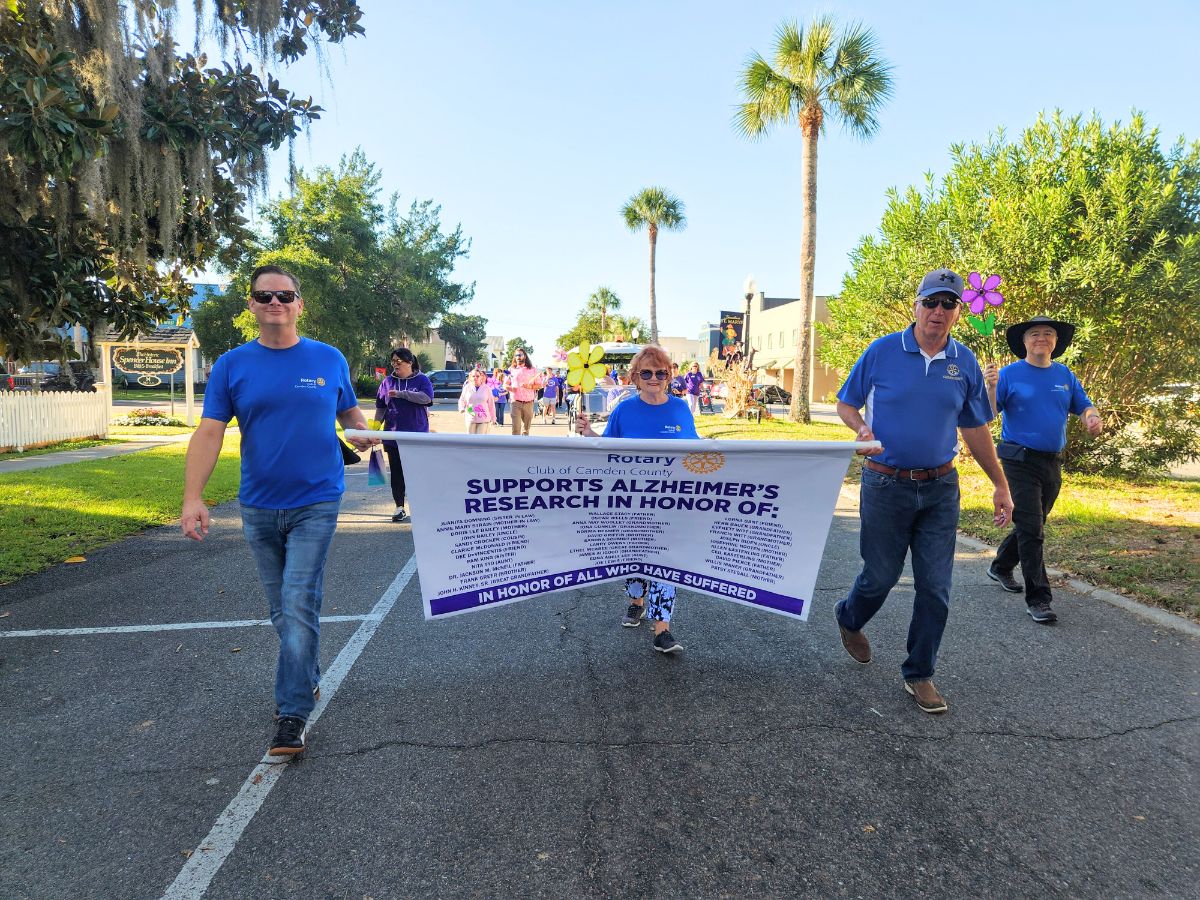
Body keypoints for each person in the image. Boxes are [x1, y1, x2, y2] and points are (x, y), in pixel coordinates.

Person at [180, 264, 375, 756]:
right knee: (280, 608)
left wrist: (361, 427)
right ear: (250, 305)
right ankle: (306, 675)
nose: (275, 304)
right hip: (259, 504)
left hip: (317, 499)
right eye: (265, 296)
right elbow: (209, 432)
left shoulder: (328, 359)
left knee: (297, 600)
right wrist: (193, 497)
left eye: (285, 296)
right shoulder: (231, 365)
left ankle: (292, 713)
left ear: (299, 304)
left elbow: (349, 412)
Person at [834, 268, 1014, 715]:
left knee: (935, 587)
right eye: (930, 302)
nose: (938, 311)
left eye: (948, 304)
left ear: (958, 312)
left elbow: (974, 427)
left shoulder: (964, 362)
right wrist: (859, 427)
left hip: (940, 488)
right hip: (884, 483)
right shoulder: (881, 352)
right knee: (880, 577)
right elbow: (845, 402)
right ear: (915, 305)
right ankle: (849, 617)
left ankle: (919, 673)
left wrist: (1000, 484)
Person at [576, 345, 698, 654]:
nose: (654, 378)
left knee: (664, 562)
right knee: (634, 559)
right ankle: (636, 602)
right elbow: (607, 447)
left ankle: (662, 630)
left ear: (669, 376)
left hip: (671, 504)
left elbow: (694, 452)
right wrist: (589, 432)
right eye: (647, 373)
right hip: (630, 503)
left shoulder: (681, 409)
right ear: (635, 377)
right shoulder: (624, 410)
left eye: (660, 373)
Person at [983, 316, 1102, 624]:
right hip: (1018, 458)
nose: (1041, 338)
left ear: (1055, 342)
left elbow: (1084, 405)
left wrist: (1091, 416)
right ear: (1024, 342)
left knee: (1032, 523)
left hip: (1051, 460)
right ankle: (1039, 599)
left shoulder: (1065, 375)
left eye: (1048, 334)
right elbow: (989, 414)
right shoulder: (1009, 374)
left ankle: (1000, 566)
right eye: (1034, 333)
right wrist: (991, 388)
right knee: (1032, 529)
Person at [375, 347, 434, 522]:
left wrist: (401, 394)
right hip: (393, 436)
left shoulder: (422, 379)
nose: (395, 365)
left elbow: (427, 399)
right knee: (397, 473)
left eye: (398, 361)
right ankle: (399, 507)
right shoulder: (387, 382)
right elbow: (380, 408)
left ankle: (422, 507)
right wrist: (374, 429)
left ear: (409, 362)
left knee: (416, 473)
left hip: (417, 436)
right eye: (392, 361)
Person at [505, 348, 543, 435]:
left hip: (529, 403)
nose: (518, 357)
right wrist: (511, 388)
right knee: (516, 428)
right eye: (516, 355)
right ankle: (516, 447)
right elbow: (505, 385)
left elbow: (539, 385)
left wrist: (530, 386)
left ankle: (524, 447)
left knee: (526, 430)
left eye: (520, 355)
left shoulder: (532, 369)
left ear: (525, 356)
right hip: (515, 402)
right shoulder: (511, 369)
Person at [459, 366, 497, 434]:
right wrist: (462, 408)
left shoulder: (487, 388)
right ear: (470, 377)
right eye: (473, 376)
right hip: (470, 417)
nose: (475, 378)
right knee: (470, 440)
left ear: (481, 377)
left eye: (477, 376)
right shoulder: (467, 388)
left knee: (480, 439)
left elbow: (491, 404)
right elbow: (462, 399)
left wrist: (493, 418)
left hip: (484, 419)